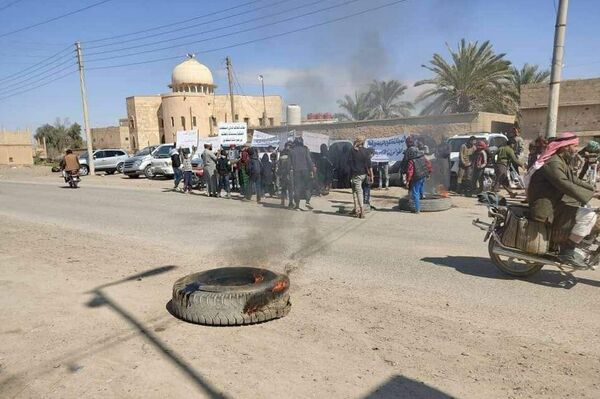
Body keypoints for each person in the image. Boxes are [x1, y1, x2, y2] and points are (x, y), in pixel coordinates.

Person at [528, 132, 598, 268]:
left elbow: (573, 180)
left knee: (587, 209)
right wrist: (592, 195)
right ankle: (567, 250)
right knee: (589, 216)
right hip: (547, 206)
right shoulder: (553, 163)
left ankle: (578, 245)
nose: (576, 149)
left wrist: (593, 190)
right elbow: (565, 184)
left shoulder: (560, 161)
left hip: (555, 200)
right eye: (574, 146)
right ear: (565, 147)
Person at [349, 136, 373, 218]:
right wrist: (371, 175)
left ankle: (361, 211)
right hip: (364, 174)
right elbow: (369, 164)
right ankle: (356, 208)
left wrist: (354, 145)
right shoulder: (366, 151)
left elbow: (349, 161)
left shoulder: (352, 150)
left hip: (356, 174)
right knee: (355, 190)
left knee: (357, 191)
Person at [405, 147, 432, 214]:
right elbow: (428, 166)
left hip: (416, 178)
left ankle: (417, 209)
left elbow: (410, 172)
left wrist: (408, 181)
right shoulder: (423, 158)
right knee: (420, 189)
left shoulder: (411, 161)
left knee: (415, 193)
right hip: (423, 177)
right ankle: (422, 198)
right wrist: (428, 174)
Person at [289, 137, 315, 210]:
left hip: (296, 171)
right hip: (305, 170)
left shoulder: (292, 151)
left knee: (297, 188)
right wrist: (312, 170)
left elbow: (289, 163)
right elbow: (309, 160)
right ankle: (307, 202)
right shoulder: (305, 149)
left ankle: (297, 205)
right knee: (307, 187)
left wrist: (288, 172)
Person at [277, 142, 294, 207]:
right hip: (290, 173)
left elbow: (279, 164)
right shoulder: (292, 153)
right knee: (290, 188)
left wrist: (279, 173)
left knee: (284, 188)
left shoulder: (282, 154)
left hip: (284, 173)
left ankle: (283, 201)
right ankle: (290, 202)